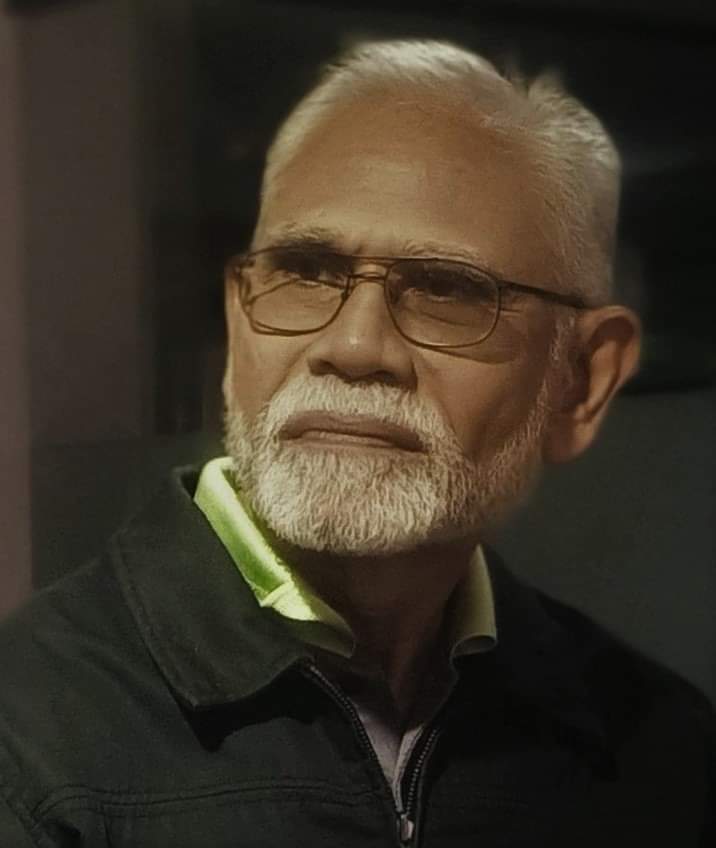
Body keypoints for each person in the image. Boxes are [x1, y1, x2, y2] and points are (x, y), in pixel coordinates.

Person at [0, 39, 713, 848]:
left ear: (582, 381)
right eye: (305, 270)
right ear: (238, 321)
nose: (354, 345)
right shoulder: (29, 743)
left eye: (446, 289)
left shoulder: (659, 752)